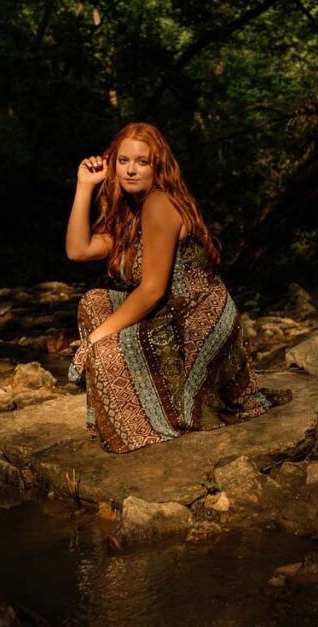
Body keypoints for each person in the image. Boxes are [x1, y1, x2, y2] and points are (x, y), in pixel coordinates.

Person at [65, 122, 290, 453]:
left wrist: (98, 339)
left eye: (142, 162)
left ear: (159, 166)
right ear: (112, 164)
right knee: (94, 302)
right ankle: (143, 401)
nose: (130, 170)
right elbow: (78, 250)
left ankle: (153, 418)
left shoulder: (159, 204)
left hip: (197, 320)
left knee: (104, 350)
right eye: (123, 161)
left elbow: (152, 290)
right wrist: (84, 186)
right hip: (168, 314)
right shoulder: (129, 213)